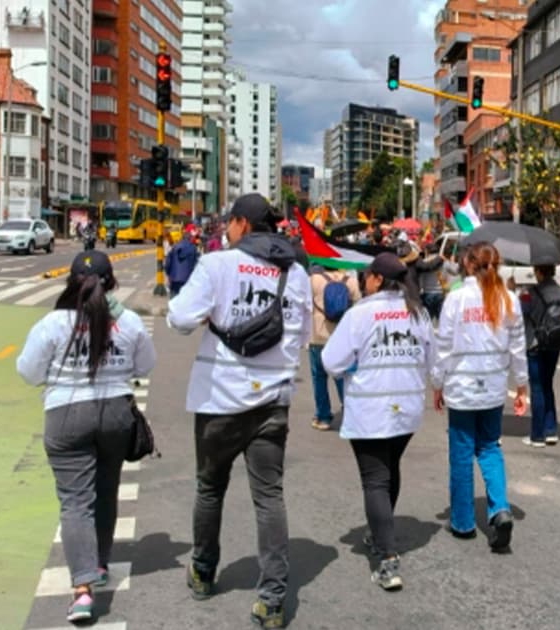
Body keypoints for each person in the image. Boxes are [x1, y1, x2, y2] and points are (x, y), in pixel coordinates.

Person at [167, 193, 313, 628]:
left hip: (219, 403)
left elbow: (177, 319)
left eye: (230, 222)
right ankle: (272, 600)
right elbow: (302, 336)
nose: (227, 230)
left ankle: (204, 572)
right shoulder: (298, 274)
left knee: (210, 488)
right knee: (269, 497)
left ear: (243, 225)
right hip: (272, 403)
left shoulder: (217, 265)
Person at [16, 251, 156, 624]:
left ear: (71, 282)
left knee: (76, 502)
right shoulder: (128, 322)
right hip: (114, 414)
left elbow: (28, 372)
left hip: (65, 414)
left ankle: (82, 591)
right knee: (106, 490)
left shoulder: (53, 323)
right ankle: (99, 563)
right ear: (112, 281)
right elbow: (145, 366)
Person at [321, 253, 431, 592]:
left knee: (375, 479)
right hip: (408, 408)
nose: (363, 281)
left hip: (371, 408)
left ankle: (387, 558)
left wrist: (355, 364)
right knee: (389, 468)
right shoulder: (419, 312)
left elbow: (330, 361)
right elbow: (431, 359)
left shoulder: (360, 315)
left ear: (378, 280)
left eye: (366, 276)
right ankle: (381, 535)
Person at [431, 242, 528, 551]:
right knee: (490, 448)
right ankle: (500, 509)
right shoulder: (508, 298)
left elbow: (442, 345)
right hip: (494, 387)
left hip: (461, 388)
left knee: (461, 453)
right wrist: (522, 385)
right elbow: (518, 347)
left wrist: (437, 383)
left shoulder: (456, 299)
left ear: (469, 265)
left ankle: (462, 521)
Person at [308, 265, 362, 430]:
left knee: (319, 378)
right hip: (341, 337)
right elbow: (359, 308)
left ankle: (323, 417)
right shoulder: (351, 281)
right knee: (341, 376)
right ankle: (350, 410)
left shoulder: (313, 280)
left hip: (319, 335)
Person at [523, 264, 560, 447]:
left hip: (536, 343)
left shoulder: (531, 292)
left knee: (536, 388)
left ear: (540, 272)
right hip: (555, 342)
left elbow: (521, 312)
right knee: (547, 384)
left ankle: (537, 435)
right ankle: (551, 430)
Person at [414, 242, 447, 320]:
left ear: (427, 251)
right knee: (442, 319)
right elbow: (453, 271)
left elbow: (421, 280)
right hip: (440, 293)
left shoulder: (424, 262)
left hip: (428, 293)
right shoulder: (443, 261)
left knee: (428, 319)